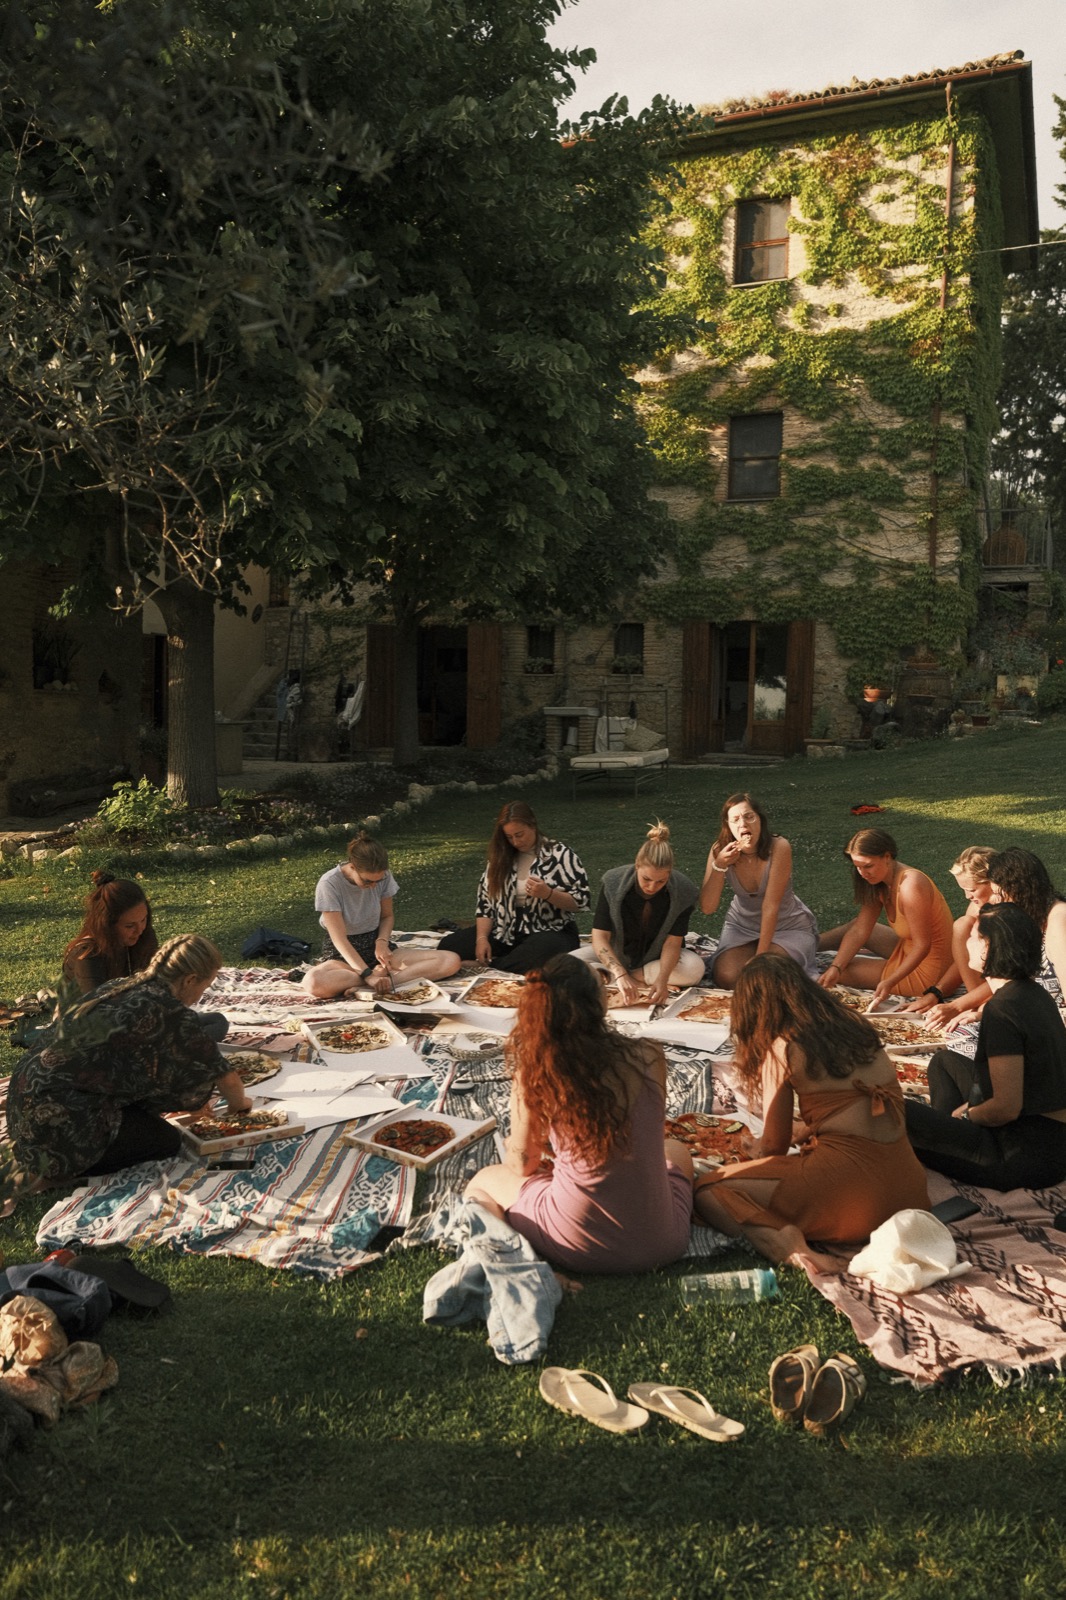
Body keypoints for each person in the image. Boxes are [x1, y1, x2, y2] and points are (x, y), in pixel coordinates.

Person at [694, 954, 928, 1273]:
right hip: (911, 1192)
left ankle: (794, 1250)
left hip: (857, 1201)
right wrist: (806, 1129)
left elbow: (774, 1147)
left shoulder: (784, 1046)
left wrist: (753, 1149)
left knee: (709, 1190)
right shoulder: (855, 1023)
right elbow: (847, 1107)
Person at [464, 954, 694, 1272]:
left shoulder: (539, 1068)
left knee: (483, 1182)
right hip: (664, 1242)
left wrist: (515, 1148)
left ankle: (517, 1264)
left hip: (579, 1244)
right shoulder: (649, 1053)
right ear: (599, 1003)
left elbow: (522, 1164)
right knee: (676, 1150)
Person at [6, 935, 252, 1188]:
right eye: (205, 986)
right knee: (167, 1141)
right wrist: (240, 1106)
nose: (201, 995)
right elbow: (228, 1080)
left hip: (22, 1106)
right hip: (59, 1124)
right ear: (190, 979)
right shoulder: (171, 1013)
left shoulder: (120, 986)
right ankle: (65, 1172)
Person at [904, 903, 1066, 1191]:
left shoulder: (1003, 1010)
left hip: (1023, 1156)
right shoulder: (1033, 993)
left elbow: (1005, 1108)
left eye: (974, 935)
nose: (966, 939)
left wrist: (965, 1114)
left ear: (988, 948)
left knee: (899, 1111)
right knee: (944, 1063)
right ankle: (952, 1139)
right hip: (1051, 1140)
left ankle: (952, 1142)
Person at [436, 801, 589, 975]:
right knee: (449, 947)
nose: (516, 842)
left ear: (533, 825)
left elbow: (580, 901)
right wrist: (482, 939)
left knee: (544, 951)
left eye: (519, 834)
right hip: (506, 928)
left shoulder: (560, 854)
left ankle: (493, 965)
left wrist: (548, 894)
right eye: (509, 837)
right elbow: (485, 904)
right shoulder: (501, 856)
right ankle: (510, 958)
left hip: (551, 929)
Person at [303, 831, 461, 999]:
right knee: (313, 982)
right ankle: (374, 980)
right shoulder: (329, 884)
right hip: (343, 953)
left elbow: (387, 916)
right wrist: (368, 975)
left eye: (377, 881)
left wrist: (382, 942)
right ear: (352, 866)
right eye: (367, 881)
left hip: (376, 944)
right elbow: (339, 939)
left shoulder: (384, 876)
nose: (373, 886)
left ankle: (383, 982)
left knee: (450, 960)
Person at [817, 828, 953, 1002]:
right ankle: (810, 945)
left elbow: (922, 946)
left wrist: (890, 981)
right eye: (857, 867)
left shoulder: (911, 885)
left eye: (868, 866)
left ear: (887, 857)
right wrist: (836, 966)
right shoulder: (878, 882)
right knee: (848, 942)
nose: (863, 873)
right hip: (907, 948)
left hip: (930, 970)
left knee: (842, 974)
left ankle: (809, 949)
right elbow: (860, 929)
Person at [578, 821, 704, 1004]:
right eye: (646, 879)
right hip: (617, 952)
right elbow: (600, 937)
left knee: (694, 967)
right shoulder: (613, 882)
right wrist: (620, 972)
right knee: (567, 963)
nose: (652, 887)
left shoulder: (683, 891)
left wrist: (661, 980)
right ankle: (621, 978)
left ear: (670, 873)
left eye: (661, 881)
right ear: (637, 866)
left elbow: (672, 943)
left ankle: (622, 978)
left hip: (657, 960)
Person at [699, 793, 818, 986]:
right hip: (741, 926)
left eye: (749, 817)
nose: (743, 825)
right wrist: (719, 865)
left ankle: (803, 946)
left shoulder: (779, 846)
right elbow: (707, 908)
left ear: (760, 820)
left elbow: (771, 906)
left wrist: (759, 960)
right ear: (728, 826)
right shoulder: (718, 851)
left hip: (786, 925)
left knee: (768, 976)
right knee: (726, 977)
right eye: (735, 820)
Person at [902, 846, 996, 1022]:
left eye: (973, 890)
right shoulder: (976, 907)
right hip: (987, 982)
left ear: (993, 882)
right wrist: (936, 993)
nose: (967, 896)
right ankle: (978, 1001)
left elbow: (1013, 974)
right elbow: (964, 959)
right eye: (964, 890)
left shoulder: (1011, 913)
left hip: (1013, 983)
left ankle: (982, 1003)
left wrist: (957, 1005)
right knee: (962, 925)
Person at [58, 871, 159, 1008]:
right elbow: (97, 1010)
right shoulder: (87, 955)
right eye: (129, 926)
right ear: (107, 925)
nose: (139, 929)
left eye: (143, 919)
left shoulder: (144, 937)